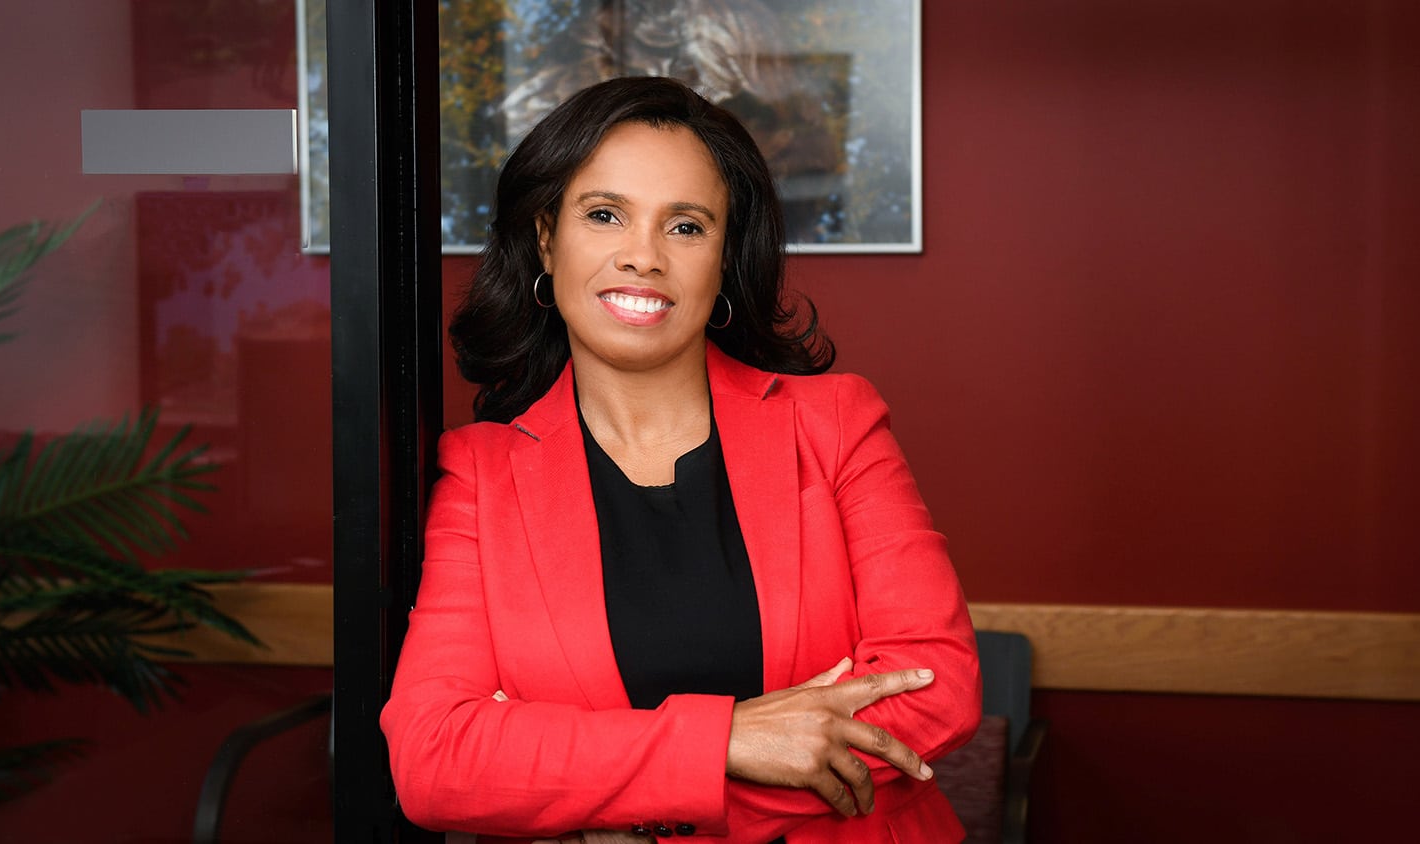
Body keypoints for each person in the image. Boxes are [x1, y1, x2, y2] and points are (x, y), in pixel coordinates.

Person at [380, 76, 980, 844]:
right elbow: (436, 758)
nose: (643, 257)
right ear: (546, 239)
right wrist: (726, 742)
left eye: (686, 227)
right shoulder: (481, 474)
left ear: (724, 258)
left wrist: (634, 815)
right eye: (604, 215)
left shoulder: (835, 426)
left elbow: (936, 690)